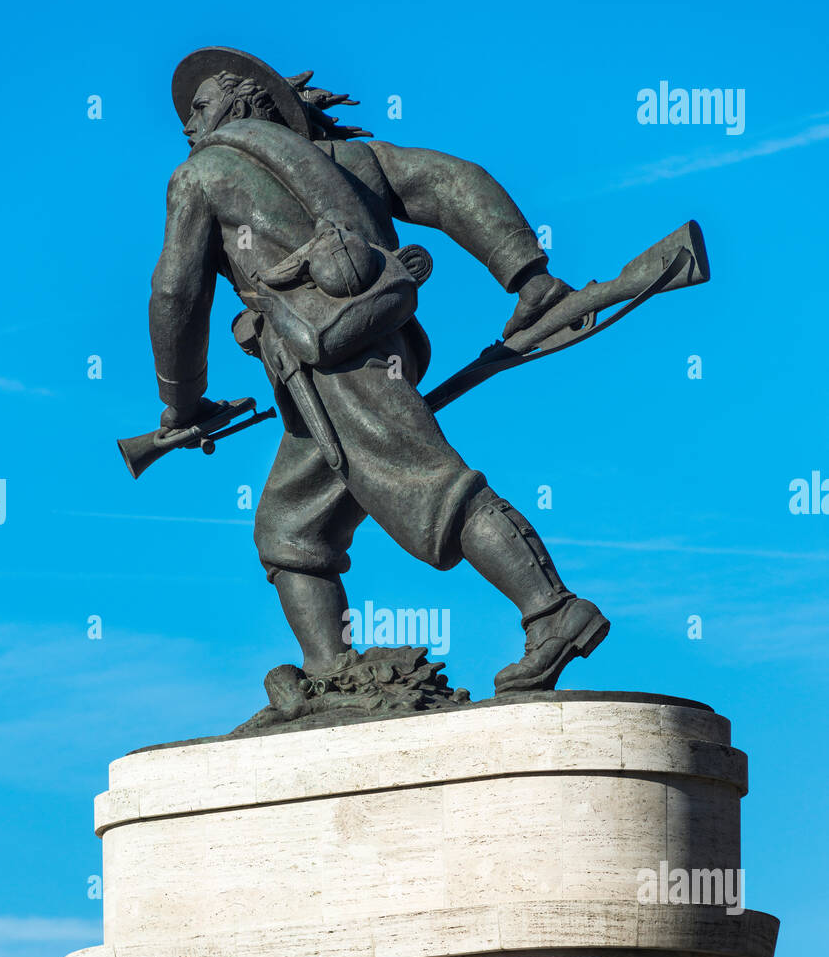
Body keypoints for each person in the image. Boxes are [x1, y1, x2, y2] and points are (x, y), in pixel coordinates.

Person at [149, 46, 609, 698]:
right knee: (290, 526)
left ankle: (553, 612)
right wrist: (523, 273)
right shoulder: (345, 164)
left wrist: (180, 402)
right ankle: (332, 671)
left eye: (200, 105)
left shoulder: (201, 175)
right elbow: (452, 182)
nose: (187, 123)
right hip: (356, 360)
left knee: (426, 484)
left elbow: (175, 295)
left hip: (333, 362)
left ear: (247, 99)